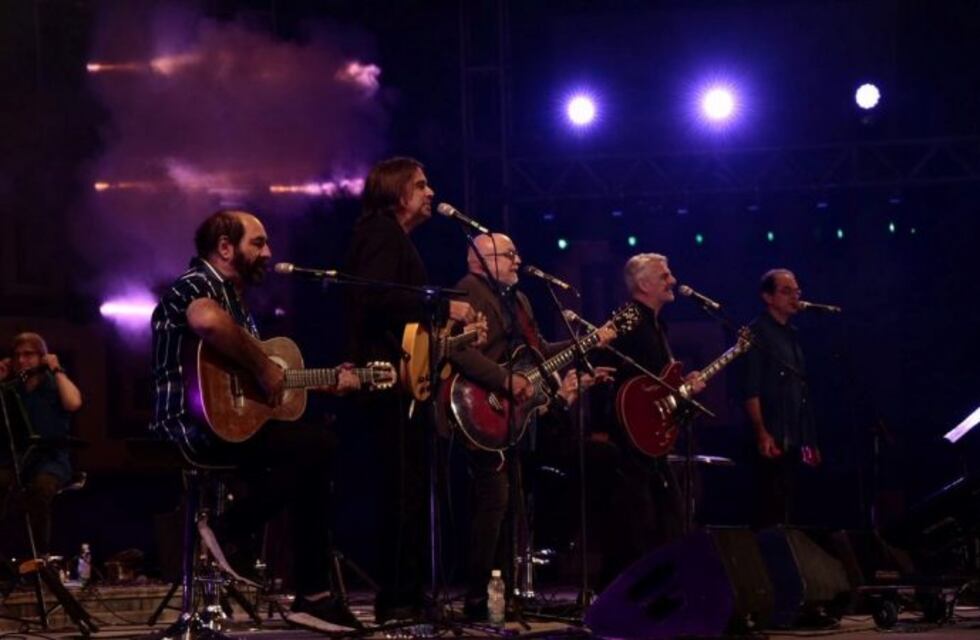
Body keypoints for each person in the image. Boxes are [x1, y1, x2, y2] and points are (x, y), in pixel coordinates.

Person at [150, 209, 362, 632]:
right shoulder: (198, 283)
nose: (269, 252)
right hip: (188, 427)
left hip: (228, 427)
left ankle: (312, 594)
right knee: (315, 447)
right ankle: (232, 531)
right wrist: (265, 368)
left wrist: (318, 382)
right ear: (225, 248)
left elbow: (259, 385)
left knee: (315, 449)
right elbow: (206, 321)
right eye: (258, 243)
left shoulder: (238, 304)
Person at [447, 232, 614, 619]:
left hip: (512, 416)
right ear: (481, 259)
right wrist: (504, 380)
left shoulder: (518, 300)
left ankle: (503, 594)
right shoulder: (467, 290)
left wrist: (587, 343)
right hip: (479, 405)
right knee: (494, 500)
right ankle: (478, 595)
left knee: (513, 506)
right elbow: (457, 350)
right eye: (510, 254)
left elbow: (538, 356)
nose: (518, 260)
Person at [344, 157, 475, 623]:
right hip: (386, 380)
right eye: (421, 185)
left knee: (412, 488)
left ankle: (411, 594)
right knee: (401, 490)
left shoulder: (392, 237)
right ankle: (399, 599)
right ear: (398, 191)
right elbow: (375, 298)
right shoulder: (381, 233)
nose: (430, 192)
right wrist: (440, 305)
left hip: (402, 377)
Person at [590, 252, 705, 586]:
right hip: (626, 433)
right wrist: (599, 425)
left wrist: (683, 388)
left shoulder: (657, 325)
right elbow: (598, 367)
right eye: (664, 275)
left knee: (665, 517)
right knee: (634, 521)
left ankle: (657, 587)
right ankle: (619, 590)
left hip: (649, 434)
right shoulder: (627, 319)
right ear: (643, 284)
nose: (673, 280)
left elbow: (657, 385)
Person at [741, 268, 819, 527]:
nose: (795, 297)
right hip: (772, 435)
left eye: (797, 291)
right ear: (768, 297)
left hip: (794, 437)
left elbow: (801, 390)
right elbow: (750, 388)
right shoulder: (756, 333)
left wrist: (809, 440)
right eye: (786, 291)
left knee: (792, 510)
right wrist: (762, 432)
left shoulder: (792, 334)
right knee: (769, 510)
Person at [0, 332, 82, 556]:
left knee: (40, 487)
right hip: (18, 460)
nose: (21, 360)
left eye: (28, 354)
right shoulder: (12, 388)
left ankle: (39, 557)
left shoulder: (54, 383)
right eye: (17, 355)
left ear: (41, 357)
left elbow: (74, 403)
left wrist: (57, 369)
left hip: (50, 460)